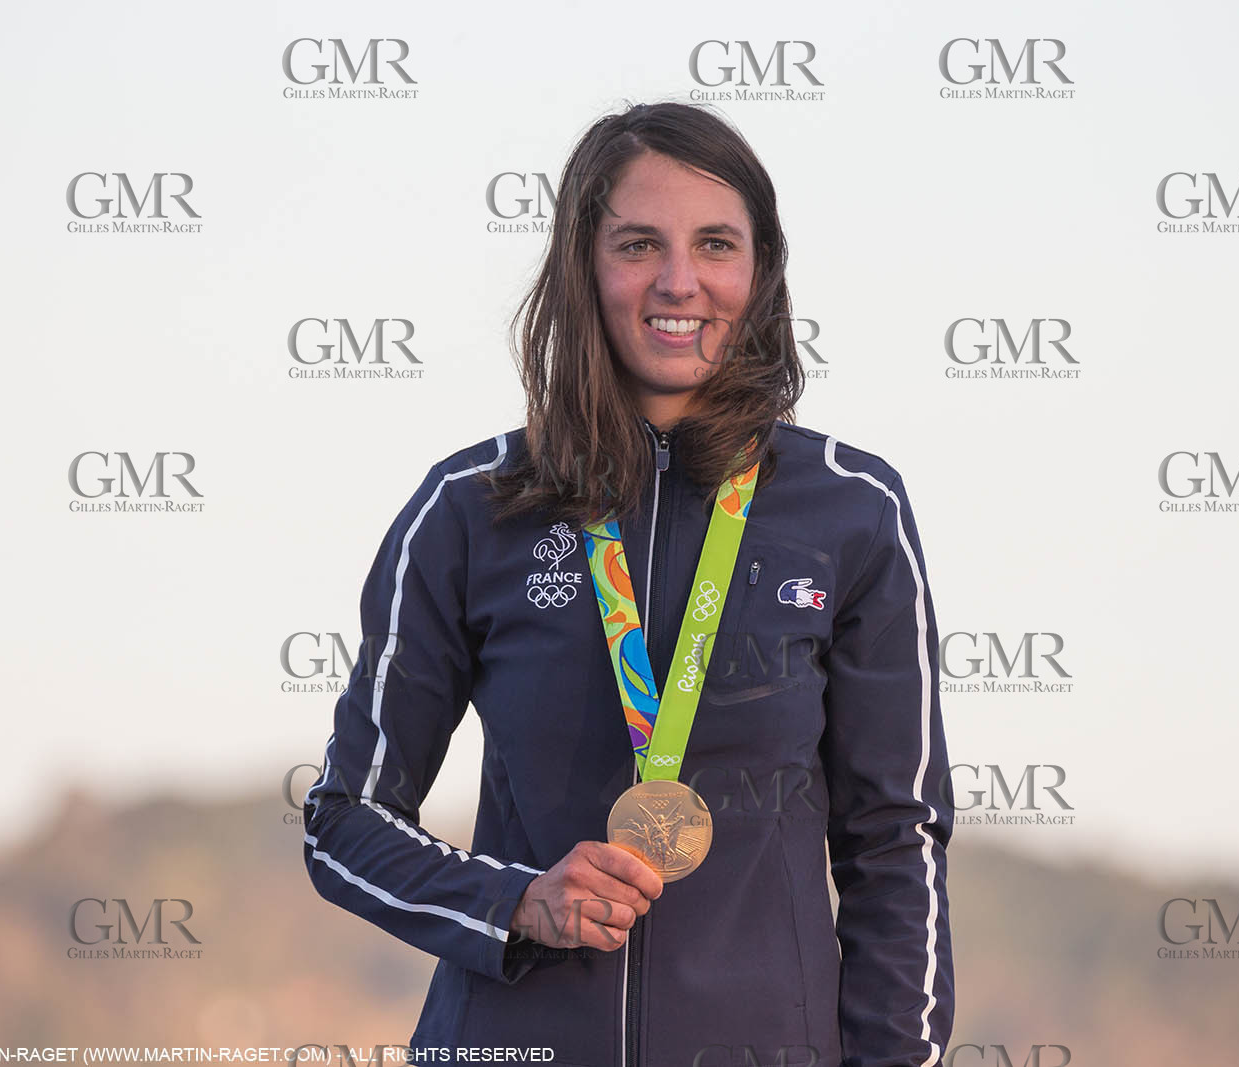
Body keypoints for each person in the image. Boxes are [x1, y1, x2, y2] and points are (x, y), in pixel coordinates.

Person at [302, 100, 954, 1067]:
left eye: (716, 244)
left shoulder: (853, 510)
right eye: (639, 243)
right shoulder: (470, 508)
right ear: (583, 267)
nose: (679, 281)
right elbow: (344, 823)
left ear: (761, 272)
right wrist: (516, 901)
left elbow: (896, 844)